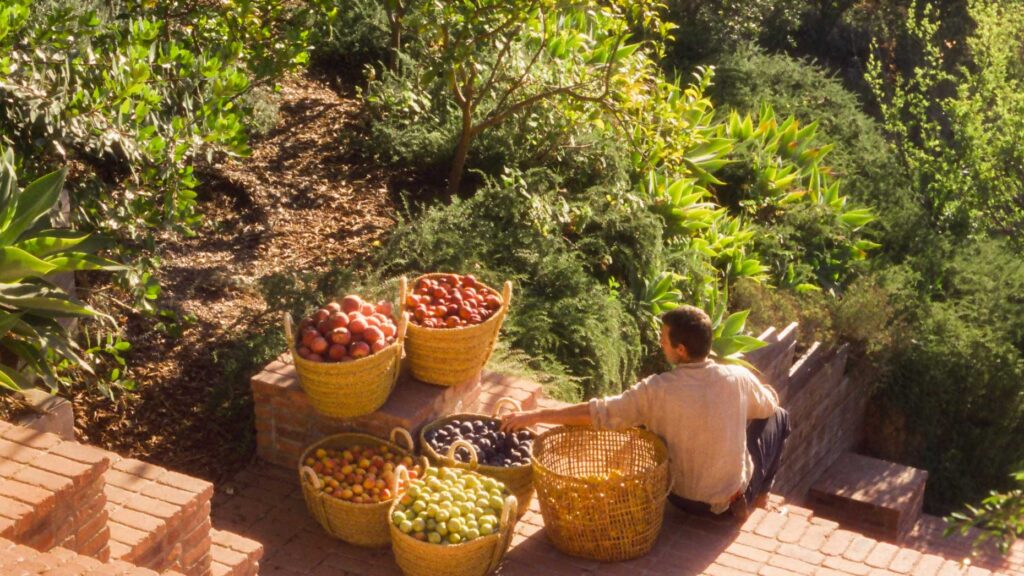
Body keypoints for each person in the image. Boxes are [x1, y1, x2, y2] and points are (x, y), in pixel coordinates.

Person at [500, 305, 791, 519]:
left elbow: (598, 412)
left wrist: (536, 416)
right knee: (779, 417)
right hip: (726, 506)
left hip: (678, 499)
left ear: (680, 349)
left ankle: (757, 496)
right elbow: (769, 405)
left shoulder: (656, 389)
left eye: (664, 338)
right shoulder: (737, 378)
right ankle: (760, 497)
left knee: (638, 416)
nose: (660, 342)